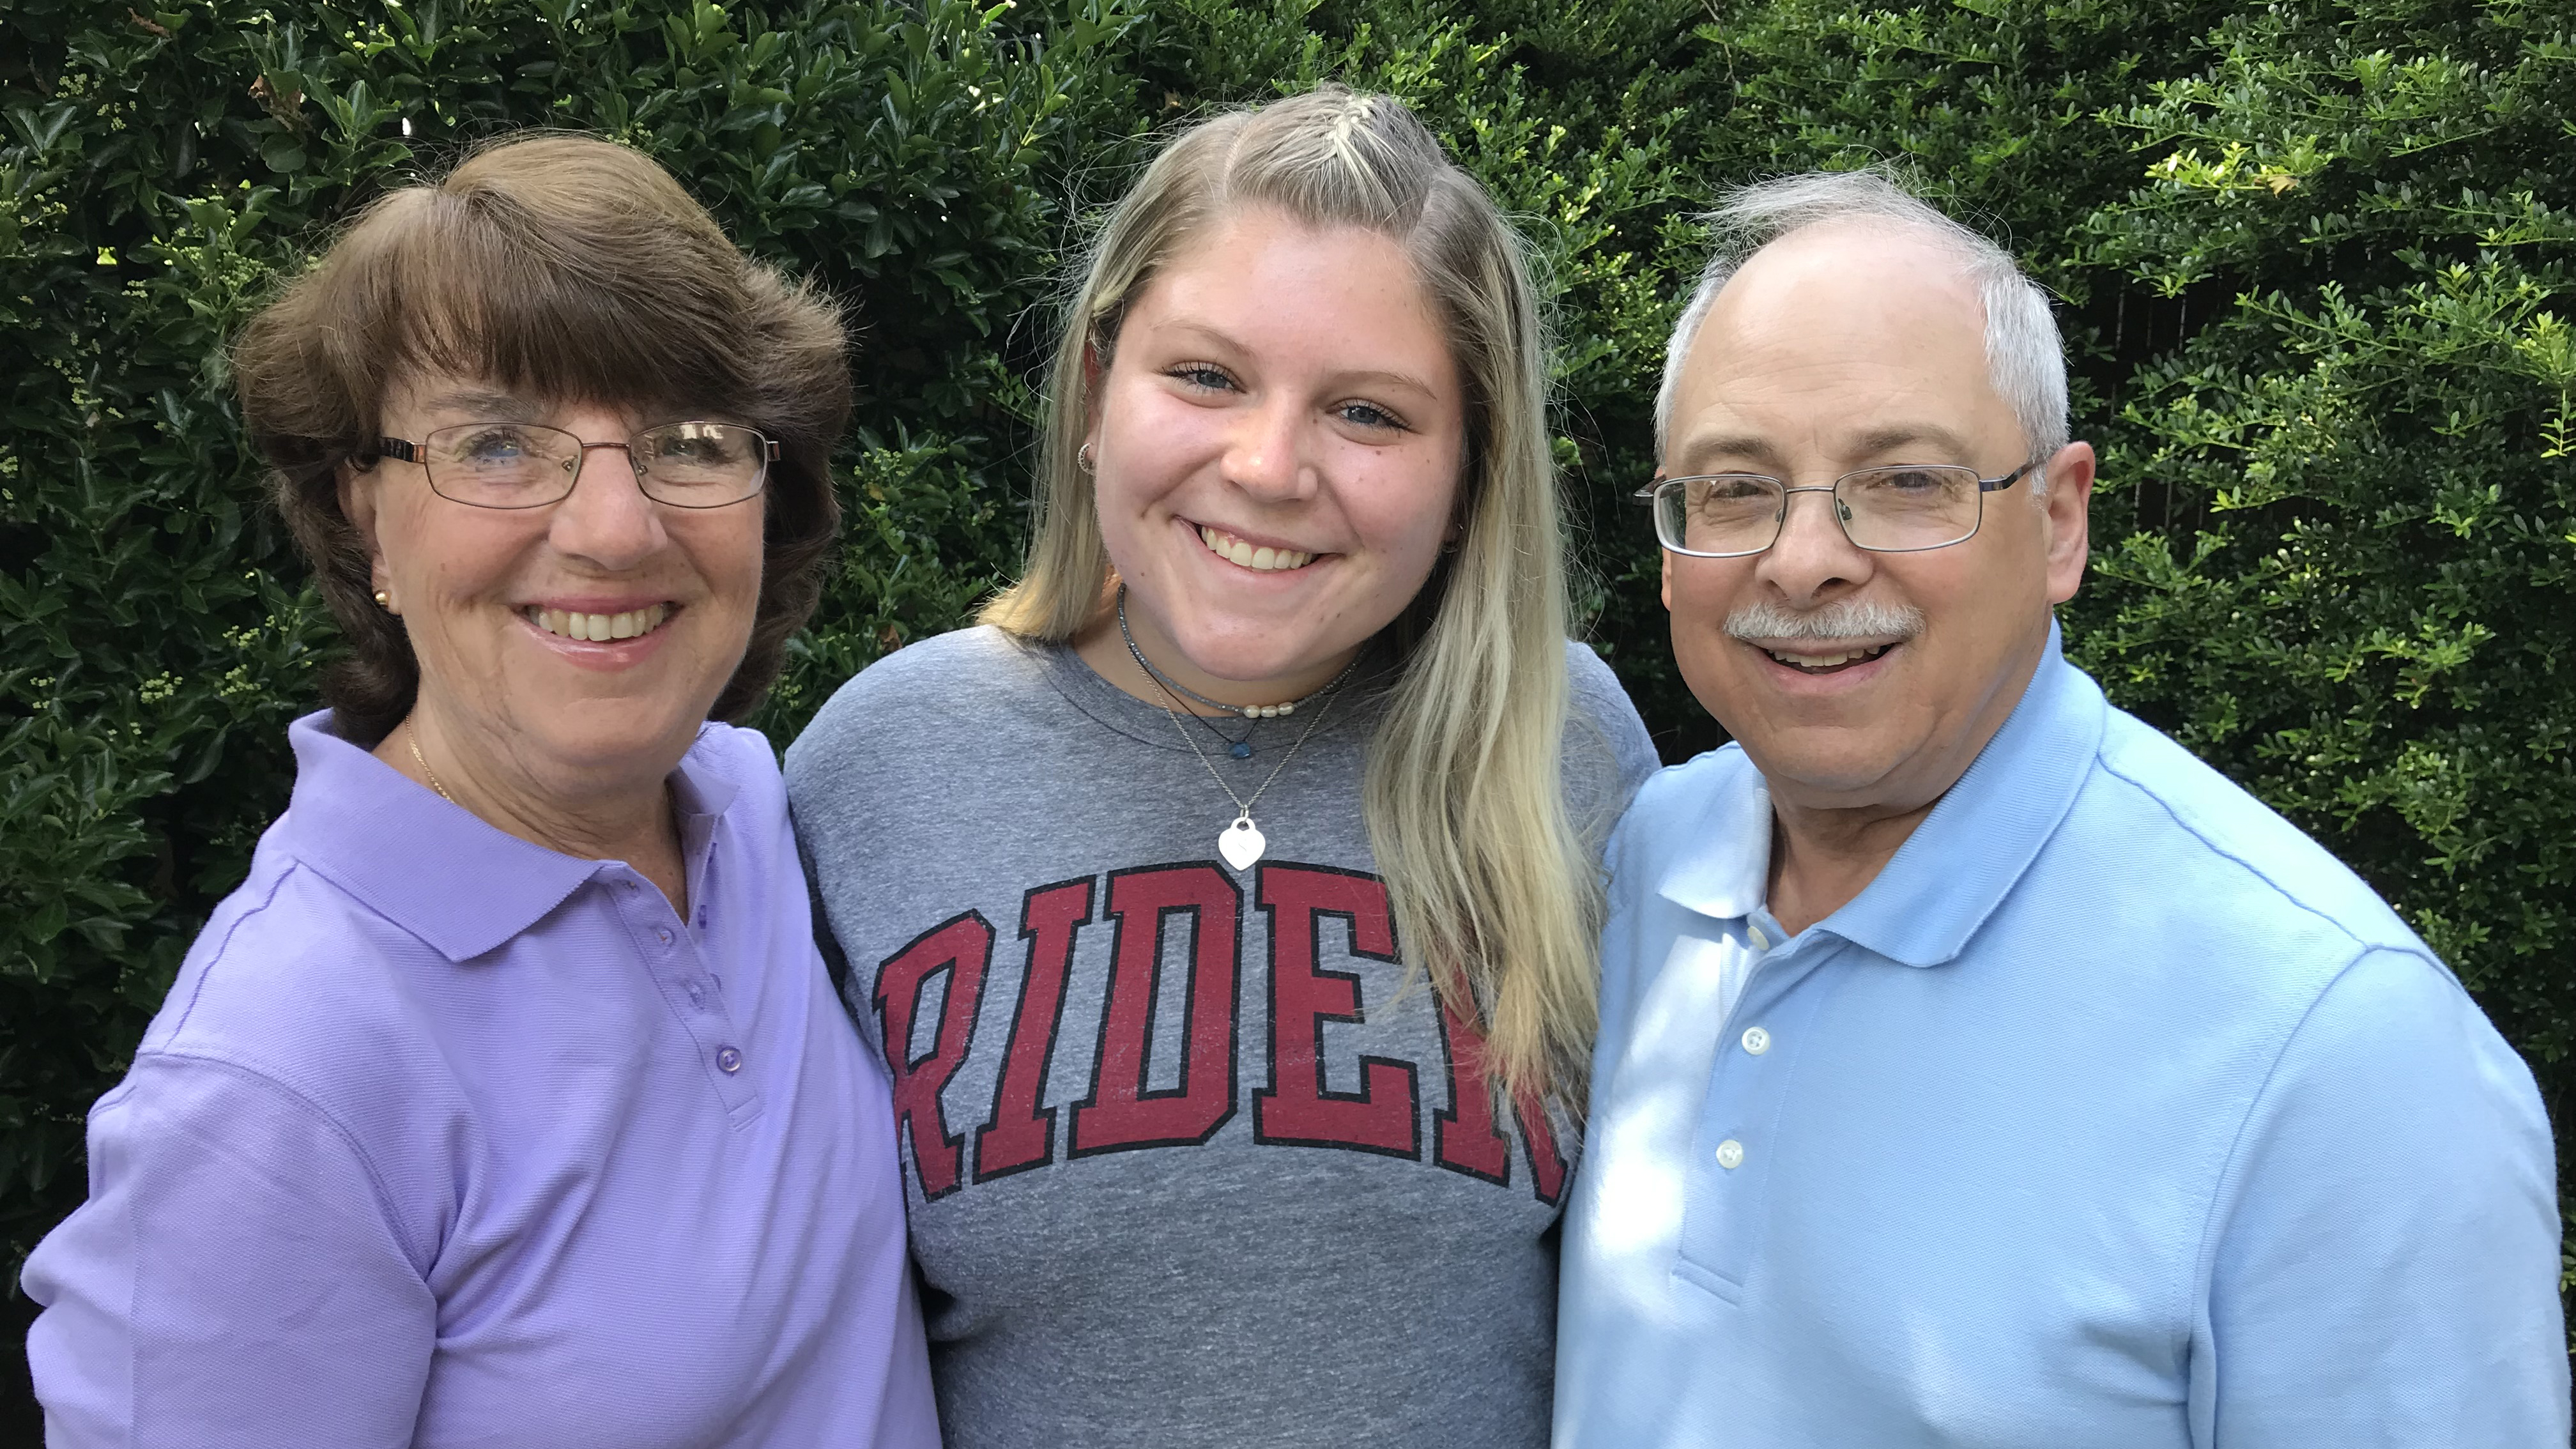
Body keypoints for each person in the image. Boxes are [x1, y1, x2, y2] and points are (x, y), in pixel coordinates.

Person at [1554, 169, 2566, 1447]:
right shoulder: (1654, 858)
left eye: (1908, 481)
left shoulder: (2341, 1056)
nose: (1804, 558)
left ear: (2060, 522)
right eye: (1739, 488)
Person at [19, 135, 938, 1448]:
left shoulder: (746, 807)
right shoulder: (274, 1089)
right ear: (365, 517)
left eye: (685, 437)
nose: (616, 529)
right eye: (498, 443)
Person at [785, 85, 1657, 1448]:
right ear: (1094, 389)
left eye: (1369, 413)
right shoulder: (877, 767)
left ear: (1472, 471)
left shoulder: (1570, 752)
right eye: (1205, 376)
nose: (1267, 465)